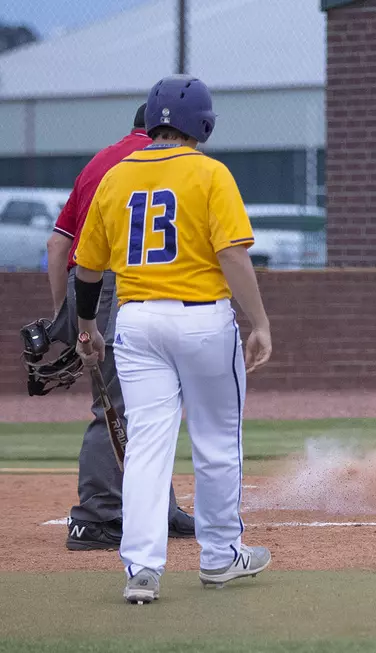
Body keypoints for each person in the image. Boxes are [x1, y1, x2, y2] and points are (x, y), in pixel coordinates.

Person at [72, 74, 273, 604]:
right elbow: (232, 253)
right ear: (201, 123)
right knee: (216, 442)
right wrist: (260, 322)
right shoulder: (209, 173)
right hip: (201, 319)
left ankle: (141, 569)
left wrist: (87, 326)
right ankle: (220, 556)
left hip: (136, 322)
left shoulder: (115, 176)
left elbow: (87, 268)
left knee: (146, 448)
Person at [44, 102, 194, 551]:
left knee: (145, 400)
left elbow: (57, 245)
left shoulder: (98, 162)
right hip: (120, 283)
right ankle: (94, 516)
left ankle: (155, 507)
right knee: (121, 401)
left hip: (84, 285)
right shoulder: (163, 161)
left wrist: (64, 320)